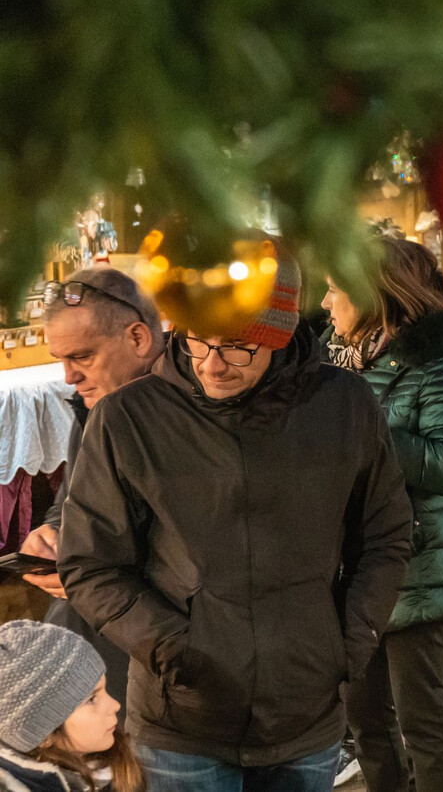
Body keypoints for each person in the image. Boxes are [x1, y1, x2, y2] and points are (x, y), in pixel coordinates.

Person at [58, 241, 415, 792]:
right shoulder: (128, 418)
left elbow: (385, 536)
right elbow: (89, 564)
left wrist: (350, 641)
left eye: (237, 347)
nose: (211, 364)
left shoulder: (345, 405)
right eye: (197, 340)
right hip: (182, 724)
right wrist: (174, 650)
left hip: (306, 717)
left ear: (280, 336)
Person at [323, 239, 443, 792]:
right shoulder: (336, 365)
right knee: (365, 722)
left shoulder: (435, 363)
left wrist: (372, 434)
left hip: (423, 566)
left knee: (425, 723)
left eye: (334, 289)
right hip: (357, 572)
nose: (325, 303)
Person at [22, 267, 165, 727]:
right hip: (91, 649)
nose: (68, 377)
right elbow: (69, 502)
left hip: (161, 661)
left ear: (139, 338)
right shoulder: (96, 410)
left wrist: (94, 571)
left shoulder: (192, 417)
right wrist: (53, 532)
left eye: (81, 356)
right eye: (61, 359)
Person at [0, 621, 144, 792]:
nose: (115, 705)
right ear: (44, 735)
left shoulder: (113, 768)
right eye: (91, 699)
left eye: (104, 690)